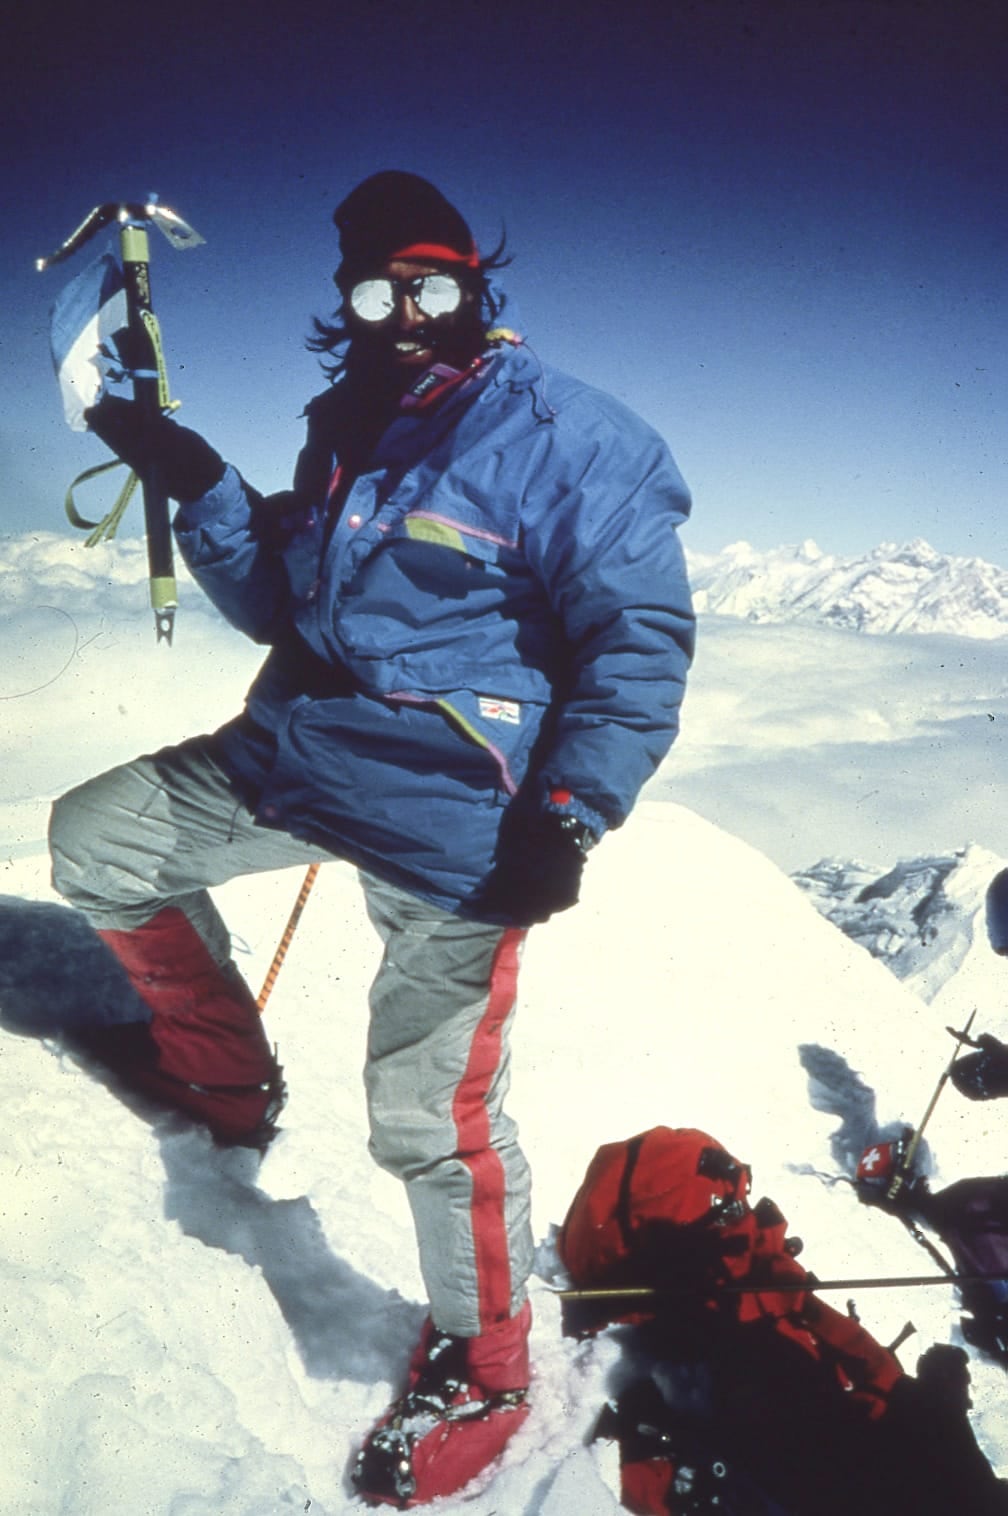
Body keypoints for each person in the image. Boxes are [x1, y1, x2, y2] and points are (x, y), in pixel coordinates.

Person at [47, 170, 695, 1505]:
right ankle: (226, 1085)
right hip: (307, 752)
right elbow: (288, 600)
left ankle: (494, 1364)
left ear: (475, 285)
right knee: (98, 839)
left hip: (463, 816)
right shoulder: (347, 426)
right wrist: (201, 480)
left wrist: (571, 809)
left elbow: (638, 643)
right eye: (374, 289)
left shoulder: (572, 436)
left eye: (433, 285)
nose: (404, 314)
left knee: (427, 1114)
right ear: (345, 302)